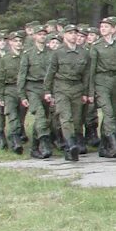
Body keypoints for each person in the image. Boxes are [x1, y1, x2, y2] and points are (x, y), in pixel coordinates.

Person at [44, 25, 92, 161]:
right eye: (70, 33)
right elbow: (51, 72)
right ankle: (71, 145)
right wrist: (47, 91)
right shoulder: (58, 53)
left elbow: (86, 75)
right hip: (61, 87)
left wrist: (85, 92)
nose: (73, 36)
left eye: (75, 33)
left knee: (77, 120)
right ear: (64, 35)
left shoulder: (84, 53)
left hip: (77, 88)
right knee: (66, 118)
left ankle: (70, 144)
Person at [90, 17, 116, 157]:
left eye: (106, 26)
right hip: (102, 80)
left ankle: (103, 146)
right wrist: (90, 91)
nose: (103, 29)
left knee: (114, 112)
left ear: (114, 29)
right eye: (102, 26)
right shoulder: (96, 46)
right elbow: (91, 70)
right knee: (108, 112)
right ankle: (113, 143)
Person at [0, 32, 26, 153]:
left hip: (23, 90)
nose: (18, 43)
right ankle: (15, 141)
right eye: (15, 41)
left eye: (20, 41)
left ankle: (16, 135)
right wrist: (1, 96)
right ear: (10, 43)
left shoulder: (26, 56)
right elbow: (1, 78)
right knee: (12, 115)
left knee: (21, 116)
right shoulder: (5, 58)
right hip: (9, 89)